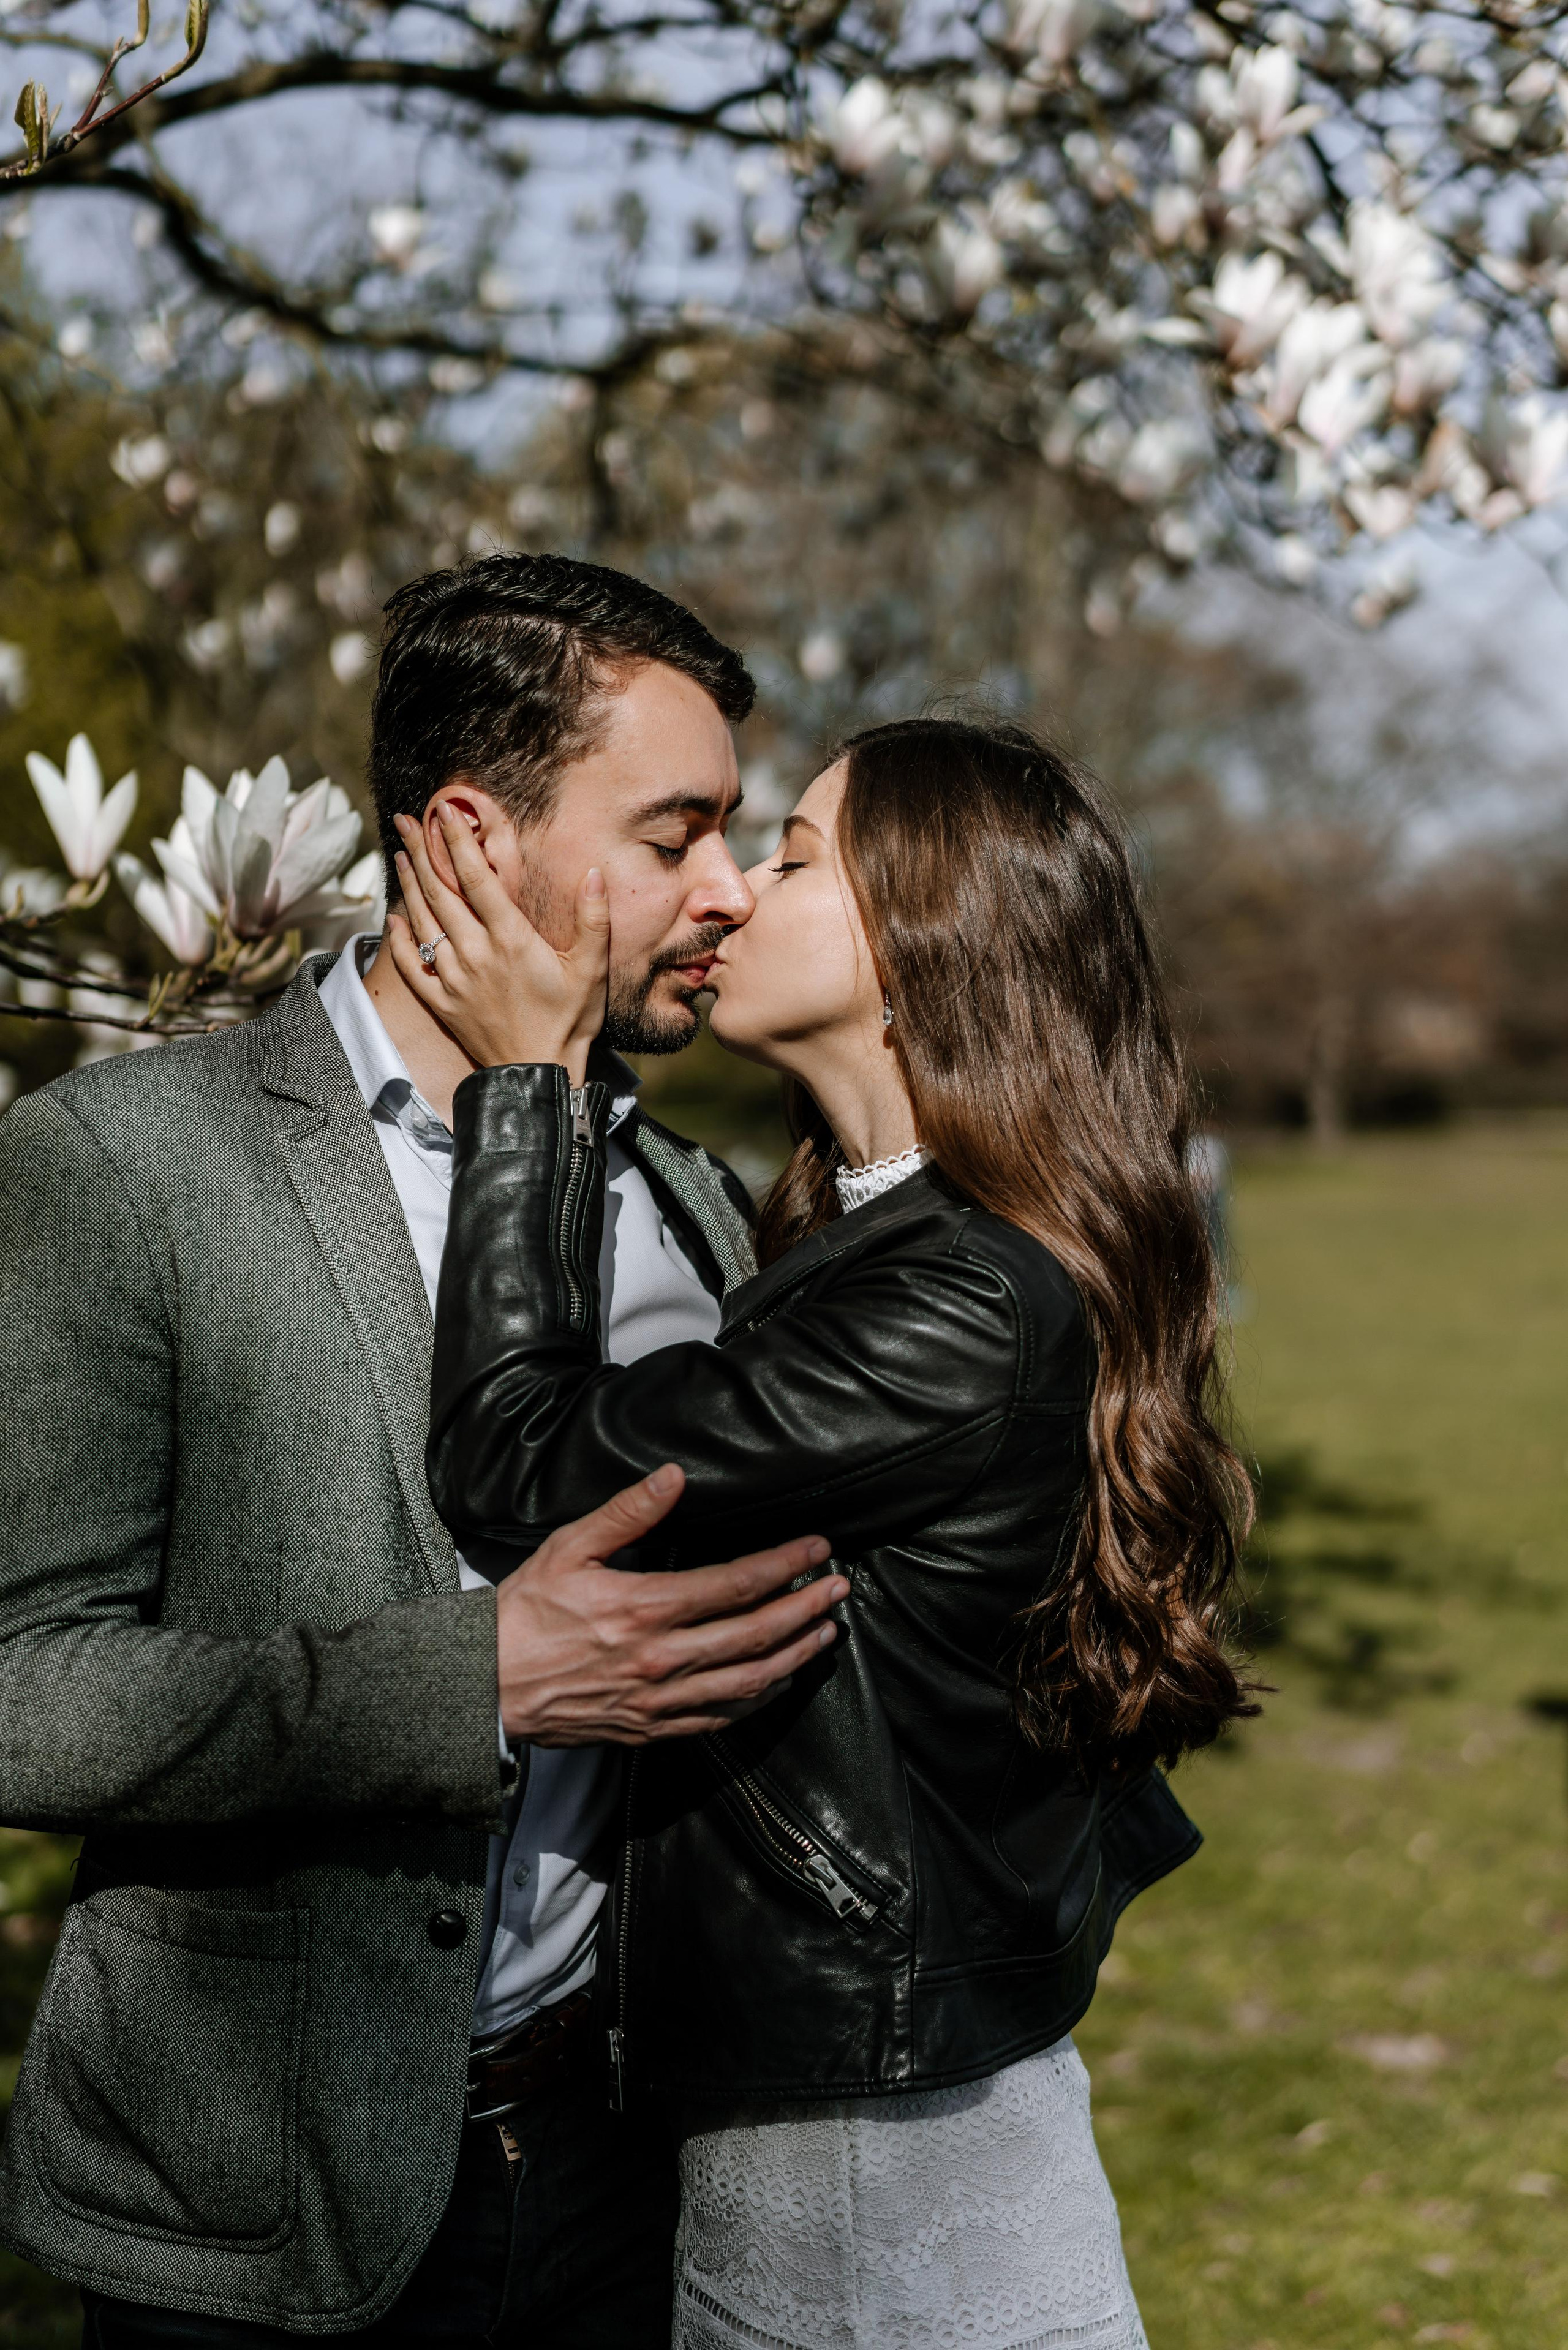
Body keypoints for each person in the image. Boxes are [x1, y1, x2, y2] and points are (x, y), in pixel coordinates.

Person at [0, 554, 850, 2347]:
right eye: (675, 834)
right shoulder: (128, 1165)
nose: (724, 891)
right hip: (253, 2210)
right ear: (470, 836)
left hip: (630, 2173)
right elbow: (22, 1693)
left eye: (731, 835)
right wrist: (479, 1682)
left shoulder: (693, 1202)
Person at [389, 712, 1259, 2350]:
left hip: (881, 2182)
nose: (726, 894)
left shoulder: (963, 1302)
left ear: (924, 941)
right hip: (839, 2130)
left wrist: (526, 1087)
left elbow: (521, 1460)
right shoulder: (873, 1241)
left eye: (791, 859)